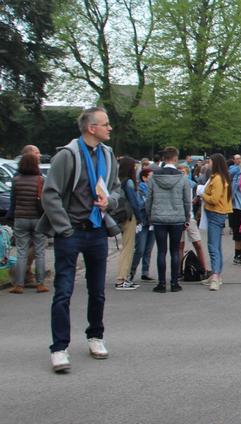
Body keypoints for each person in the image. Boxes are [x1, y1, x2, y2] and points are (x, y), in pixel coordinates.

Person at [37, 107, 120, 372]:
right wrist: (64, 228)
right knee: (63, 291)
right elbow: (50, 194)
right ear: (90, 128)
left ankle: (95, 336)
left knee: (97, 291)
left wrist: (111, 201)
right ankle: (59, 348)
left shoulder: (108, 156)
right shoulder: (67, 155)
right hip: (71, 231)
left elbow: (116, 188)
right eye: (105, 124)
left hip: (96, 230)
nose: (110, 128)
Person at [147, 146, 191, 294]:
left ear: (164, 159)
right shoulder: (183, 178)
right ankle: (174, 283)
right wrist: (187, 217)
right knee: (175, 251)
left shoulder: (154, 177)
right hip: (177, 218)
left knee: (161, 251)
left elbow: (149, 199)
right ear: (175, 158)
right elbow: (187, 201)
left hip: (159, 217)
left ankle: (161, 283)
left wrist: (149, 215)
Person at [7, 153, 48, 294]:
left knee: (21, 252)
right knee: (40, 252)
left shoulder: (16, 180)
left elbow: (13, 200)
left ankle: (19, 285)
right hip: (37, 219)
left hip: (20, 219)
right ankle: (40, 283)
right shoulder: (40, 180)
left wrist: (11, 217)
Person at [201, 153, 232, 290]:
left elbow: (214, 199)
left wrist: (202, 194)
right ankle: (217, 274)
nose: (208, 164)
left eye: (210, 161)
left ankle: (215, 275)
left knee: (213, 246)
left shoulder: (217, 179)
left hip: (215, 213)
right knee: (216, 245)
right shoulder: (221, 177)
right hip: (218, 213)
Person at [114, 156, 145, 290]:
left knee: (125, 247)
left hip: (120, 215)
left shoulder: (118, 181)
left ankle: (123, 278)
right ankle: (121, 278)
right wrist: (139, 217)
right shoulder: (129, 183)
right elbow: (135, 202)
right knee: (128, 248)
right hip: (129, 216)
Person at [176, 163, 208, 279]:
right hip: (179, 218)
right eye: (179, 172)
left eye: (183, 172)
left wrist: (196, 201)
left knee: (197, 243)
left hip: (191, 217)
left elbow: (198, 197)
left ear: (188, 173)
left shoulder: (193, 185)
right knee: (180, 245)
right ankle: (178, 271)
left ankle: (203, 268)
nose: (181, 174)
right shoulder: (176, 185)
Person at [130, 167, 156, 282]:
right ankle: (131, 270)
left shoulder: (155, 188)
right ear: (144, 178)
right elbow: (140, 204)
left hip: (152, 221)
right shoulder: (140, 189)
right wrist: (150, 201)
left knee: (149, 248)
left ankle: (145, 272)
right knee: (140, 248)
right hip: (142, 221)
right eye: (151, 176)